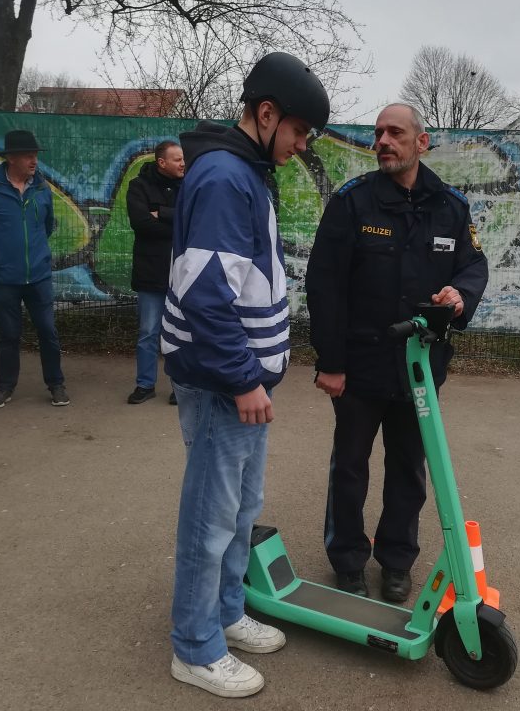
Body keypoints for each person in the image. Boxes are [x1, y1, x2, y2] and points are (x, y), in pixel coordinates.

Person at [162, 52, 330, 699]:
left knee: (239, 510)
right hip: (222, 384)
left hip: (240, 381)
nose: (301, 145)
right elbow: (206, 293)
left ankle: (226, 612)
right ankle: (195, 647)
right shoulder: (226, 178)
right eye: (299, 131)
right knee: (210, 518)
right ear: (266, 114)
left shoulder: (245, 173)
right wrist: (242, 379)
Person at [305, 103, 489, 603]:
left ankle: (396, 560)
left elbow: (473, 266)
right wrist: (330, 362)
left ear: (421, 142)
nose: (383, 141)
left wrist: (460, 295)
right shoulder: (353, 203)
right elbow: (324, 286)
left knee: (409, 469)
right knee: (350, 468)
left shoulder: (450, 206)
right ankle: (347, 560)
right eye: (378, 133)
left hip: (420, 368)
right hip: (360, 366)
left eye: (395, 133)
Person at [0, 130, 69, 408]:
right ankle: (4, 387)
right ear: (11, 158)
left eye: (35, 156)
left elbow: (47, 225)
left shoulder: (42, 188)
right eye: (28, 156)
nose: (34, 161)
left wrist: (36, 254)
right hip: (4, 277)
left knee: (48, 331)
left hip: (39, 275)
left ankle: (56, 384)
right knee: (9, 335)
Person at [125, 140, 184, 405]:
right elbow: (141, 223)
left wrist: (161, 212)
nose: (183, 163)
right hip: (150, 273)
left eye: (183, 158)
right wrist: (177, 225)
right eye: (177, 159)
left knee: (180, 333)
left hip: (181, 274)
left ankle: (180, 385)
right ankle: (145, 384)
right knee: (148, 332)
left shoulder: (188, 185)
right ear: (162, 162)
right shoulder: (138, 186)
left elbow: (193, 218)